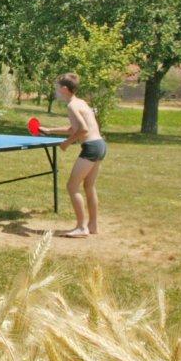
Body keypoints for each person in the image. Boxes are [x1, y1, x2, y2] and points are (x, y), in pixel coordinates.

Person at [40, 72, 106, 237]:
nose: (55, 90)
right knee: (89, 186)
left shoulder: (71, 106)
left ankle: (81, 227)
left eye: (56, 87)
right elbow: (75, 128)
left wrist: (67, 143)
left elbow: (82, 129)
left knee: (72, 186)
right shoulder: (80, 102)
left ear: (64, 89)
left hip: (90, 147)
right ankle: (93, 225)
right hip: (100, 145)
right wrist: (50, 130)